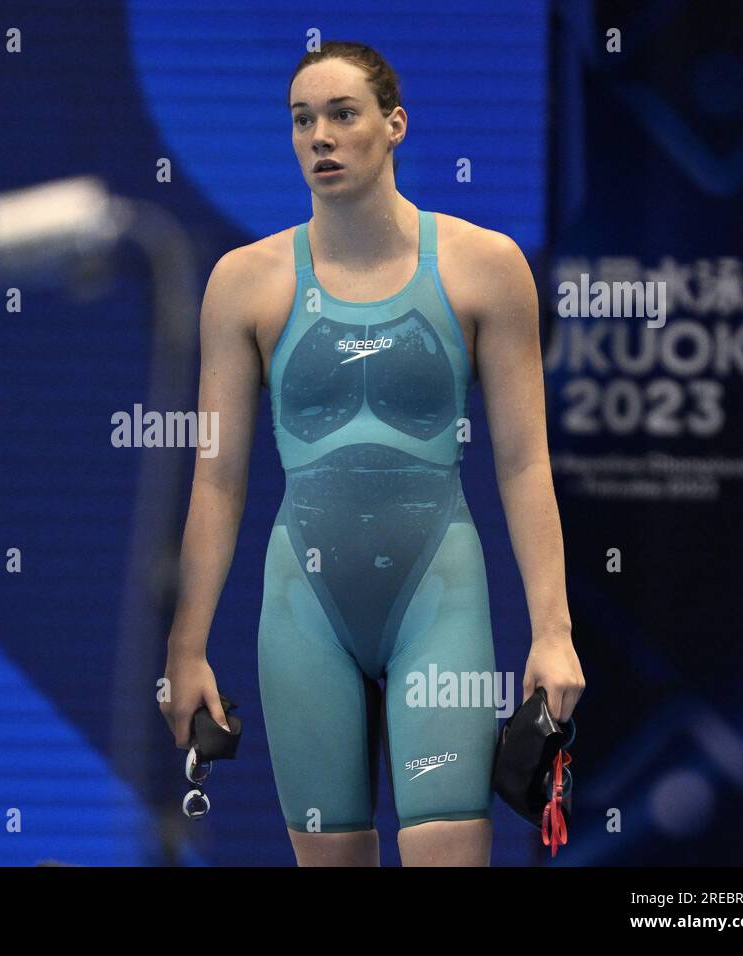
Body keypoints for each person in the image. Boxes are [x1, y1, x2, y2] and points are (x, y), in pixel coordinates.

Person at [159, 40, 585, 867]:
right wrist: (185, 648)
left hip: (439, 597)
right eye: (302, 120)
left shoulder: (486, 267)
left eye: (342, 115)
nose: (320, 135)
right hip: (304, 607)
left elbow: (526, 463)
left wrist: (553, 632)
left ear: (394, 126)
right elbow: (215, 479)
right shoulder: (243, 283)